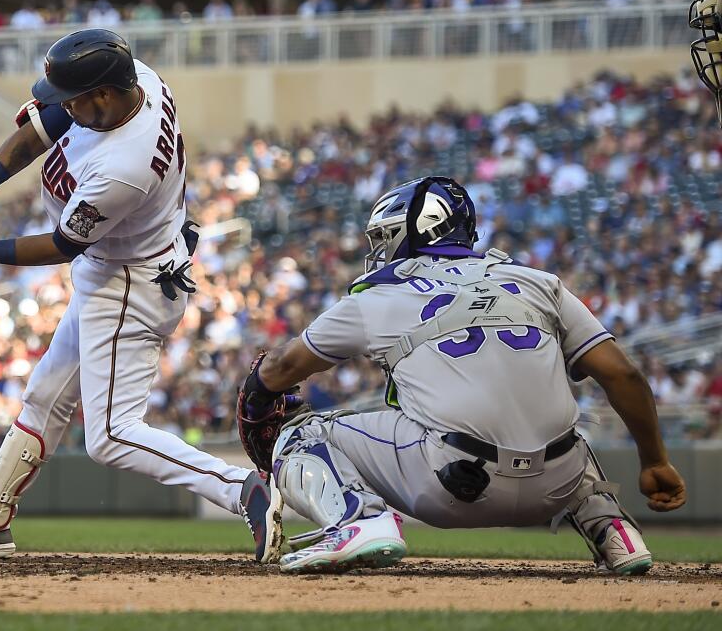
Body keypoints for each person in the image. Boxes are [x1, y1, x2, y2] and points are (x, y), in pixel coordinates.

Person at [0, 29, 280, 562]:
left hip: (129, 282)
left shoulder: (124, 167)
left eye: (73, 99)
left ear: (102, 95)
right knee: (44, 397)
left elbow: (63, 244)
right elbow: (40, 130)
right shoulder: (133, 81)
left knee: (111, 435)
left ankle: (243, 491)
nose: (63, 107)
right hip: (116, 269)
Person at [236, 177, 686, 574]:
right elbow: (623, 376)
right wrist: (655, 461)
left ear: (415, 232)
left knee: (300, 434)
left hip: (451, 483)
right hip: (556, 484)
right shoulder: (537, 281)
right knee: (567, 430)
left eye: (386, 237)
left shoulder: (381, 295)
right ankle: (615, 533)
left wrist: (256, 393)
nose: (379, 250)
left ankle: (359, 522)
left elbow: (283, 367)